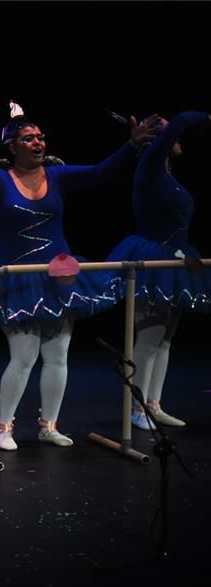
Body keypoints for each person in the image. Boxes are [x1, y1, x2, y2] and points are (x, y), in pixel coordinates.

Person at [0, 102, 159, 450]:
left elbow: (102, 172)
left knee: (58, 355)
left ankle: (49, 425)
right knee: (24, 356)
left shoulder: (57, 175)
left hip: (58, 277)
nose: (37, 142)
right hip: (16, 279)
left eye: (40, 137)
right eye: (28, 138)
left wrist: (132, 145)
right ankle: (4, 427)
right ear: (12, 146)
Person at [107, 110, 210, 429]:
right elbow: (180, 121)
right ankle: (137, 409)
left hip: (176, 259)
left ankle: (154, 403)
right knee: (149, 338)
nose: (177, 140)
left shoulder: (165, 173)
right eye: (169, 136)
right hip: (153, 260)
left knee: (165, 339)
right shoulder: (149, 166)